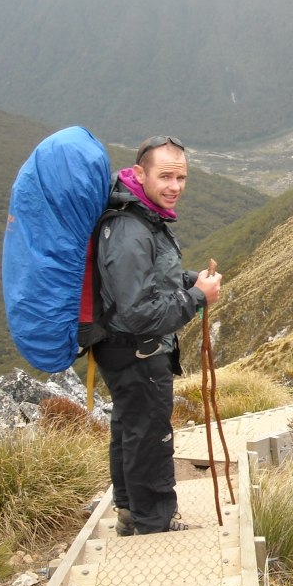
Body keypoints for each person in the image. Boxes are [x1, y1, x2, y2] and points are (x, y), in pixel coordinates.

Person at [92, 134, 222, 536]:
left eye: (181, 177)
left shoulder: (137, 216)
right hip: (138, 350)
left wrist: (187, 281)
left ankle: (130, 512)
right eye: (165, 176)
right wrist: (197, 297)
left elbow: (150, 281)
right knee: (150, 434)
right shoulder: (132, 230)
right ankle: (155, 524)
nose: (174, 187)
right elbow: (139, 315)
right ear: (138, 174)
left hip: (119, 349)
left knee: (129, 428)